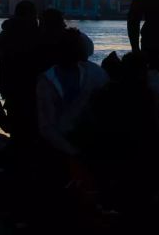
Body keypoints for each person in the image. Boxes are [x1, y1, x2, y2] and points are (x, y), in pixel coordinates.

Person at [36, 28, 109, 156]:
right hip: (63, 148)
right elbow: (47, 127)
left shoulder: (46, 80)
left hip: (82, 143)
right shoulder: (94, 73)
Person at [0, 1, 40, 142]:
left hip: (11, 91)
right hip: (31, 92)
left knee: (18, 135)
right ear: (30, 15)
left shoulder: (2, 37)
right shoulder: (33, 36)